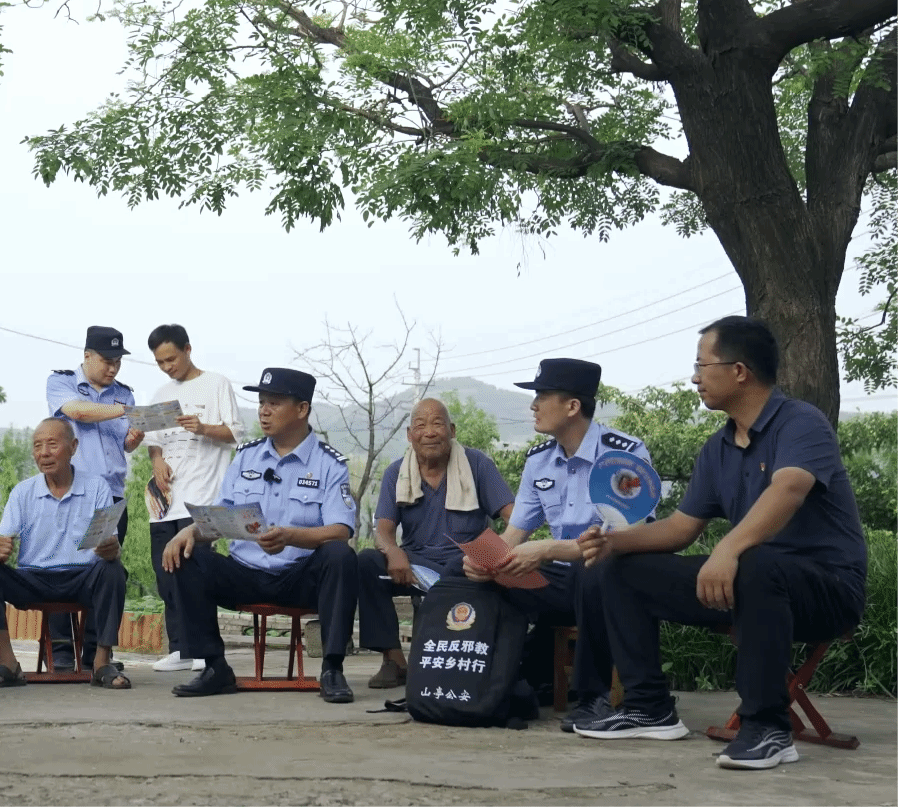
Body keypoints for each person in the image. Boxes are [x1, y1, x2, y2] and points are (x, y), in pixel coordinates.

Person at [576, 317, 867, 770]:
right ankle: (648, 707)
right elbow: (680, 528)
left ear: (739, 370)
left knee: (754, 562)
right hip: (751, 579)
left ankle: (768, 728)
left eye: (701, 365)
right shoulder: (718, 447)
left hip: (826, 589)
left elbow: (788, 489)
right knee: (625, 569)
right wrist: (615, 543)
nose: (694, 377)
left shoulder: (801, 424)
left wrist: (728, 549)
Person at [460, 358, 650, 731]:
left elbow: (627, 538)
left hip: (610, 577)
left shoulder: (621, 456)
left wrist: (548, 550)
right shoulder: (539, 461)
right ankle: (492, 684)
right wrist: (483, 560)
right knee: (471, 572)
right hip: (558, 581)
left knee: (593, 569)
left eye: (542, 396)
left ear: (572, 406)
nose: (533, 406)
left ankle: (592, 697)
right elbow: (515, 534)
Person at [162, 367, 359, 704]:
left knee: (341, 556)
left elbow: (341, 530)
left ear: (301, 409)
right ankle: (214, 666)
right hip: (244, 573)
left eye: (274, 404)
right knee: (185, 553)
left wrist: (292, 536)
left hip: (299, 577)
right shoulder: (247, 456)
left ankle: (332, 668)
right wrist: (192, 530)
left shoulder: (330, 464)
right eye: (262, 403)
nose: (264, 411)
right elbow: (221, 514)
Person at [356, 397, 514, 689]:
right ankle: (394, 660)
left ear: (452, 430)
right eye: (420, 425)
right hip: (416, 565)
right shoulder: (396, 473)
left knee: (460, 567)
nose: (429, 432)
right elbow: (384, 528)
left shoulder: (477, 464)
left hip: (465, 565)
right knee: (367, 563)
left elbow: (514, 517)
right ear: (409, 435)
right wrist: (393, 551)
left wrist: (494, 553)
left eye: (437, 424)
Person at [0, 418, 132, 690]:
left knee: (113, 569)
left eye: (52, 444)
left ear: (73, 447)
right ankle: (9, 664)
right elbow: (2, 541)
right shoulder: (23, 492)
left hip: (82, 578)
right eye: (37, 446)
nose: (43, 452)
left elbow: (107, 539)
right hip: (33, 580)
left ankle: (101, 663)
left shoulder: (97, 487)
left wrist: (111, 548)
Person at [142, 324, 245, 673]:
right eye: (160, 362)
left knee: (195, 571)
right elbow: (153, 442)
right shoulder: (160, 393)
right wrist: (157, 463)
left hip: (202, 494)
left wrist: (202, 428)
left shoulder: (216, 384)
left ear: (187, 349)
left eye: (171, 358)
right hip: (164, 500)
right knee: (165, 574)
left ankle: (203, 649)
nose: (167, 366)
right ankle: (181, 648)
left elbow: (235, 433)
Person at [45, 325, 143, 669]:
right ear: (87, 356)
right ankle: (59, 654)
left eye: (118, 361)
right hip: (69, 494)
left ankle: (94, 655)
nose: (113, 367)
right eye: (107, 360)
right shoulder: (62, 382)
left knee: (105, 568)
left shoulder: (125, 393)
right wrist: (124, 411)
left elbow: (126, 443)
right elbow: (79, 413)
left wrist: (136, 435)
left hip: (111, 497)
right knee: (58, 565)